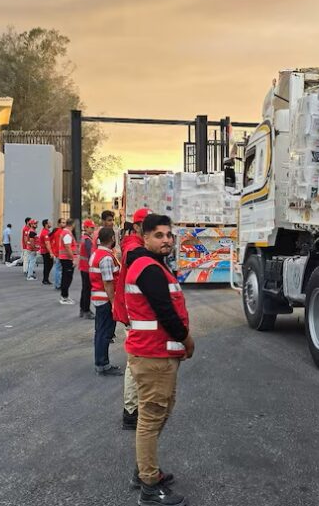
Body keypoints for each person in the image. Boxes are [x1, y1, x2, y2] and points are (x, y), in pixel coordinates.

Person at [125, 214, 193, 505]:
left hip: (156, 353)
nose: (166, 240)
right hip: (154, 354)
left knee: (157, 415)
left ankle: (144, 470)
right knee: (152, 419)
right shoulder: (149, 269)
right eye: (159, 235)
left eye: (169, 235)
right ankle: (149, 488)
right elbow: (166, 312)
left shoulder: (148, 264)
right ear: (145, 237)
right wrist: (187, 340)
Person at [115, 208, 151, 430]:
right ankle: (130, 411)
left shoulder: (139, 243)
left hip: (135, 312)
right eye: (146, 223)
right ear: (137, 226)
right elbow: (132, 254)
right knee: (134, 362)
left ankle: (136, 407)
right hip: (131, 314)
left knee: (139, 360)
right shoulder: (133, 244)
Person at [90, 226, 121, 375]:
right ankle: (102, 364)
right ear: (112, 239)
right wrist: (114, 302)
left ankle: (101, 362)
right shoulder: (106, 258)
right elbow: (108, 282)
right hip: (105, 300)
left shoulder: (97, 254)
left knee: (100, 332)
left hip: (98, 298)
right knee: (105, 333)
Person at [78, 219, 97, 319]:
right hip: (87, 268)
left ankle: (82, 309)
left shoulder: (84, 238)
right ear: (85, 228)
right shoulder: (87, 240)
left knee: (85, 289)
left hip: (83, 267)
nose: (93, 230)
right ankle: (86, 311)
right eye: (91, 228)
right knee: (87, 290)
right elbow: (91, 255)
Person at [57, 218, 77, 305]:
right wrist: (73, 259)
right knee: (67, 278)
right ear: (72, 225)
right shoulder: (67, 233)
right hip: (67, 259)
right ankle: (64, 297)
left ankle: (64, 296)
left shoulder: (64, 232)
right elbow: (68, 247)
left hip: (64, 258)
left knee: (66, 277)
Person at [51, 218, 65, 289]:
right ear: (59, 224)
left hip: (57, 253)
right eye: (62, 222)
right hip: (60, 253)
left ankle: (57, 284)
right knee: (59, 269)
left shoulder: (56, 232)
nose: (64, 224)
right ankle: (58, 284)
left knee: (57, 269)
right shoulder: (61, 232)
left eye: (64, 222)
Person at [39, 219, 53, 285]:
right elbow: (47, 243)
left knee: (49, 265)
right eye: (49, 222)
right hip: (46, 251)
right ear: (46, 224)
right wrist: (51, 253)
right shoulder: (45, 232)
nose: (51, 223)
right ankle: (45, 279)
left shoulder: (47, 231)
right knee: (47, 265)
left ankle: (46, 279)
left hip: (46, 251)